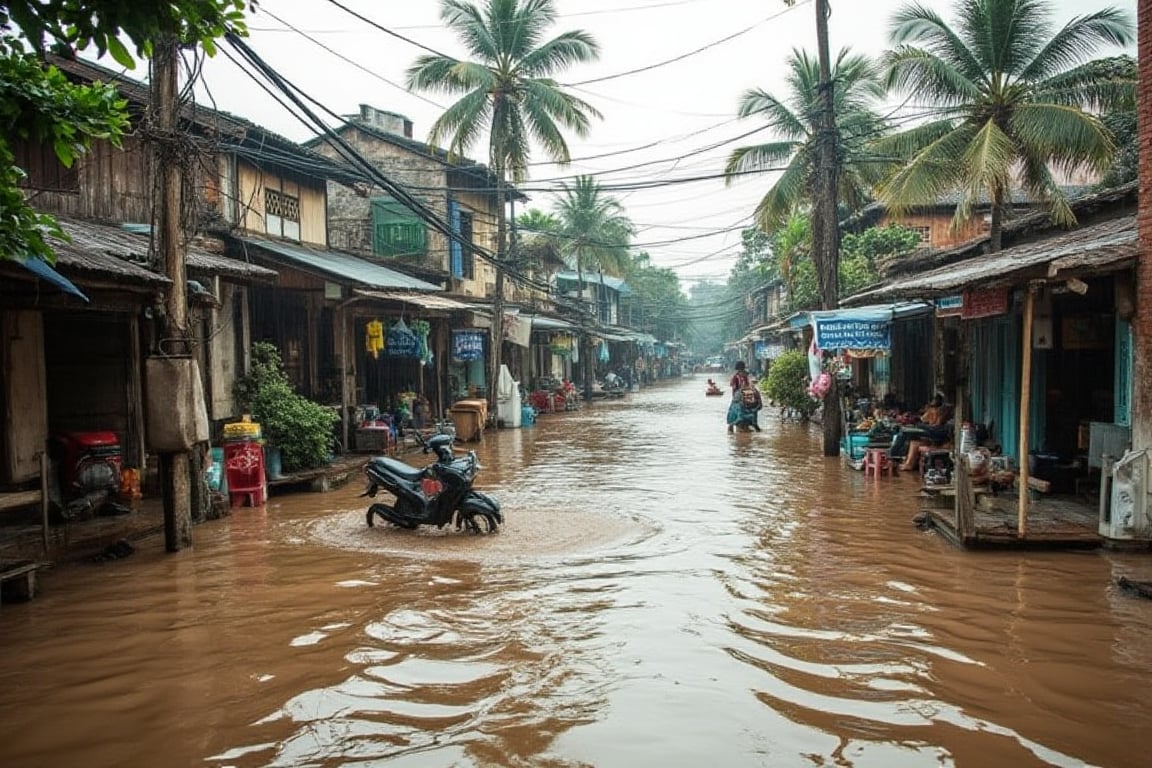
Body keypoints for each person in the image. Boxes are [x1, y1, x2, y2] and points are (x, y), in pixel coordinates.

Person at [726, 361, 762, 433]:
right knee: (738, 413)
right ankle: (732, 427)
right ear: (739, 369)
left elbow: (749, 386)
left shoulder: (745, 377)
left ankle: (752, 425)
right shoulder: (735, 378)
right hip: (738, 397)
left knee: (752, 410)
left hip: (746, 395)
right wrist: (737, 397)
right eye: (742, 370)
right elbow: (734, 389)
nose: (743, 372)